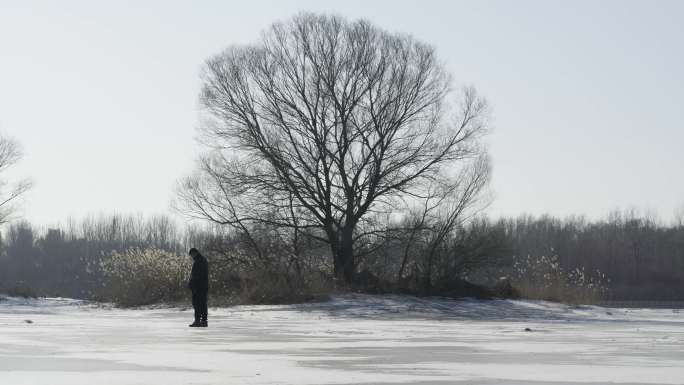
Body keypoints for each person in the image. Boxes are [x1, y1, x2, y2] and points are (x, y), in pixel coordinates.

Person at [187, 248, 209, 327]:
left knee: (197, 304)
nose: (191, 257)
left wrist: (192, 284)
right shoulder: (203, 260)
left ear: (195, 253)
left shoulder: (199, 261)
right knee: (203, 304)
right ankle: (203, 321)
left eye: (192, 255)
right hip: (203, 286)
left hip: (198, 287)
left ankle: (198, 321)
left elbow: (196, 276)